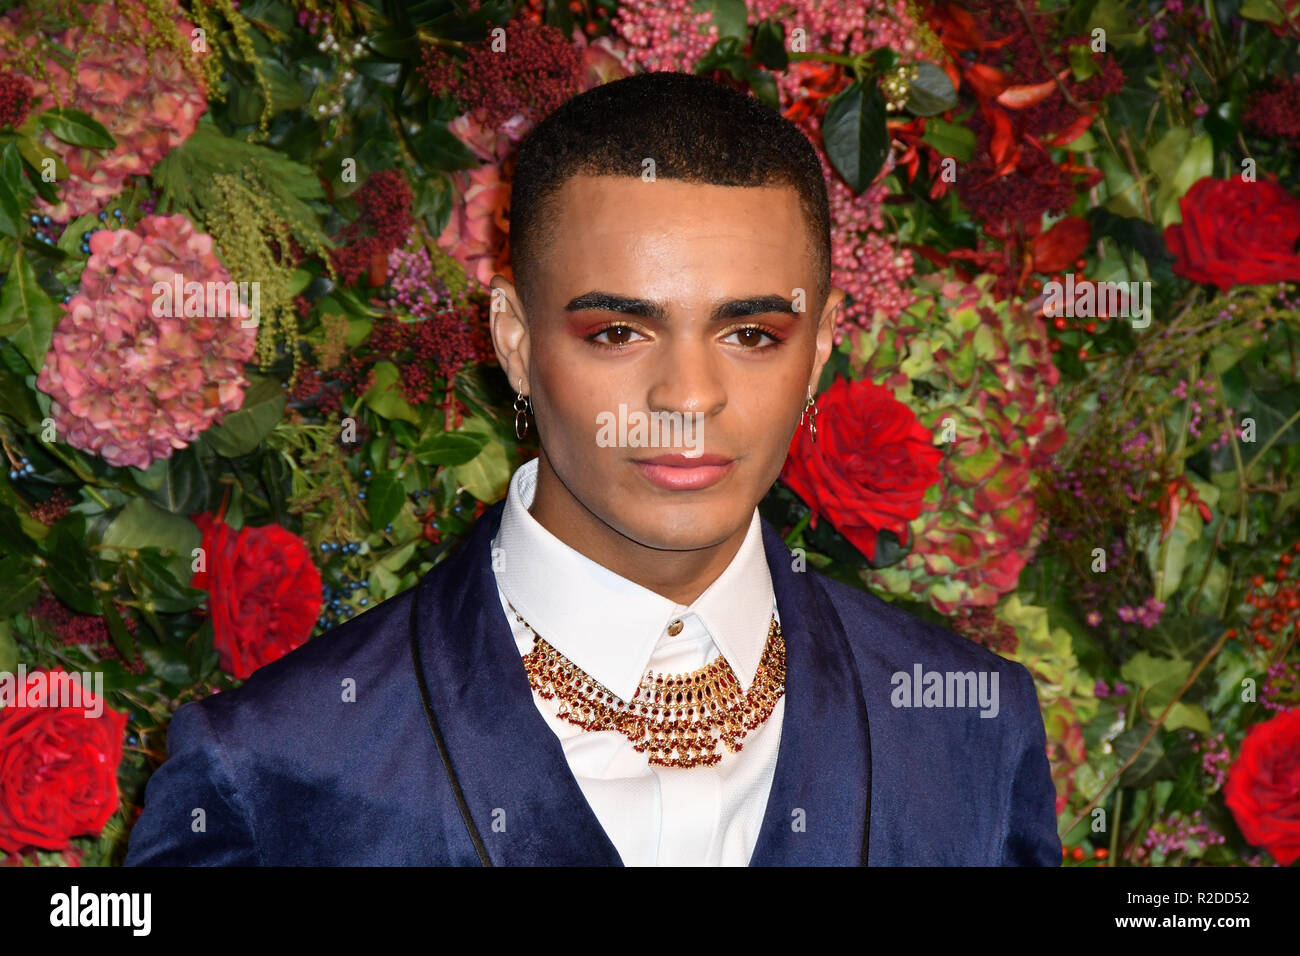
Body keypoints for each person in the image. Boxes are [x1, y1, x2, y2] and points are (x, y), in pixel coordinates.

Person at [125, 70, 1060, 866]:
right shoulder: (276, 771)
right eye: (618, 331)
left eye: (751, 333)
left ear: (816, 357)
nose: (689, 396)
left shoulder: (968, 730)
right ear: (515, 343)